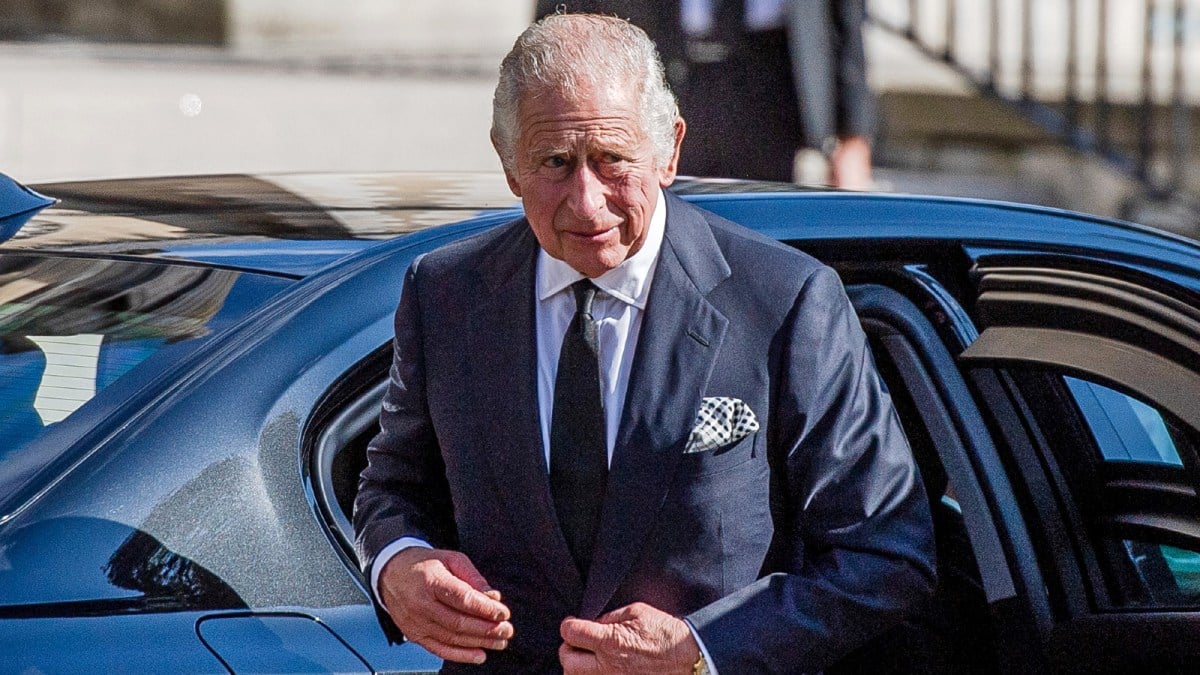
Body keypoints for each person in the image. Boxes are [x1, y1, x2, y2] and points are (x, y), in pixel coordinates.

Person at [354, 13, 933, 673]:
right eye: (555, 163)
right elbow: (392, 486)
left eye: (611, 161)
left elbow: (886, 554)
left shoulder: (785, 302)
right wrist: (397, 566)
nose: (587, 201)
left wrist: (703, 651)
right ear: (507, 162)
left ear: (670, 150)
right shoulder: (446, 293)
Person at [534, 1, 876, 188]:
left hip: (773, 76)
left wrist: (853, 135)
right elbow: (558, 19)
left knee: (764, 238)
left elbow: (846, 16)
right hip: (661, 68)